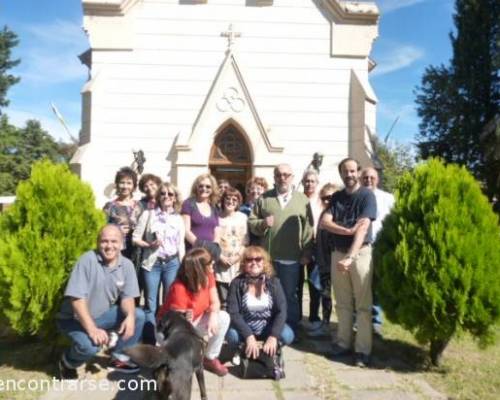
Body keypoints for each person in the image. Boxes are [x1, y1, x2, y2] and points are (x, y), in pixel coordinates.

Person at [56, 225, 145, 379]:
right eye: (104, 241)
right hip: (73, 319)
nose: (109, 246)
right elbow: (76, 300)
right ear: (98, 243)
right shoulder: (87, 261)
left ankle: (118, 359)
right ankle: (67, 362)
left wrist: (129, 316)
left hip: (100, 316)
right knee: (90, 348)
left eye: (114, 241)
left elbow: (127, 297)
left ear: (122, 243)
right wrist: (92, 330)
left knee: (138, 315)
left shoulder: (127, 265)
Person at [320, 158, 376, 368]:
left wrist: (351, 257)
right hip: (338, 253)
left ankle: (362, 351)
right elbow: (326, 222)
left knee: (362, 306)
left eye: (353, 171)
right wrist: (345, 230)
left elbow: (363, 228)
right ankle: (343, 344)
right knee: (342, 304)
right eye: (345, 171)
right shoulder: (337, 197)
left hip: (359, 254)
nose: (349, 175)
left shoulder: (366, 196)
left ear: (358, 172)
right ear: (341, 173)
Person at [249, 164, 313, 333]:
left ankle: (290, 329)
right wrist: (262, 223)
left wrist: (307, 251)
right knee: (266, 294)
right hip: (267, 258)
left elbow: (308, 229)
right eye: (279, 175)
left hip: (291, 257)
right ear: (274, 177)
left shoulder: (302, 200)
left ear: (292, 177)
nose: (282, 178)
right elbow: (251, 222)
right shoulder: (265, 198)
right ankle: (267, 327)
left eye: (286, 175)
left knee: (290, 296)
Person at [158, 248, 230, 376]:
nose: (213, 263)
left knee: (223, 317)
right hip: (169, 330)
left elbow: (216, 302)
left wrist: (213, 315)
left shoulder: (208, 276)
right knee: (181, 365)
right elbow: (180, 327)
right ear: (199, 268)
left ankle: (209, 358)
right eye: (209, 263)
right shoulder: (179, 288)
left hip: (193, 321)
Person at [132, 182, 185, 343]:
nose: (166, 197)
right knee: (150, 304)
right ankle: (149, 340)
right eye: (163, 193)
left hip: (172, 263)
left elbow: (180, 244)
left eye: (170, 194)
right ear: (158, 196)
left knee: (169, 303)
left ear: (175, 198)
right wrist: (149, 245)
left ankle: (165, 338)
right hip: (152, 264)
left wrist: (182, 266)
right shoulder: (148, 214)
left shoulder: (178, 218)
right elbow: (135, 238)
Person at [226, 246, 294, 362]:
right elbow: (234, 313)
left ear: (264, 262)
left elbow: (281, 311)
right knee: (232, 336)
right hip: (245, 327)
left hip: (267, 327)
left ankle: (271, 349)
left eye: (258, 259)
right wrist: (249, 336)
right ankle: (242, 348)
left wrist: (273, 336)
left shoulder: (274, 282)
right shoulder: (236, 284)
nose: (254, 262)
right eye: (249, 260)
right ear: (244, 263)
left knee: (287, 335)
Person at [360, 167, 395, 336]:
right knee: (360, 285)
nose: (368, 180)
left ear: (377, 179)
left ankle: (375, 322)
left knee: (377, 286)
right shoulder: (356, 197)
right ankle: (357, 321)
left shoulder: (388, 198)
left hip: (380, 246)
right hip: (360, 247)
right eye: (365, 177)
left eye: (371, 177)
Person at [308, 183, 339, 337]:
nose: (327, 201)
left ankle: (337, 327)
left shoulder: (338, 215)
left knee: (337, 297)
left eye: (330, 197)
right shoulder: (323, 214)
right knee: (324, 294)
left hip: (333, 263)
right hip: (322, 262)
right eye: (324, 198)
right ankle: (325, 324)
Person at [216, 188, 249, 310]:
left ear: (239, 202)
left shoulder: (243, 218)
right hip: (220, 263)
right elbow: (212, 241)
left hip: (237, 263)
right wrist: (220, 257)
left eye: (234, 199)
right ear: (223, 200)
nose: (231, 201)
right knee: (223, 301)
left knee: (237, 298)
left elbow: (245, 241)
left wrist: (237, 257)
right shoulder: (216, 217)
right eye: (228, 198)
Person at [103, 167, 142, 259]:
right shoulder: (110, 206)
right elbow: (102, 228)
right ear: (117, 184)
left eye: (129, 183)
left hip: (136, 251)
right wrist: (117, 230)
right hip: (116, 250)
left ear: (134, 186)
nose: (125, 186)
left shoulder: (139, 206)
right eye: (122, 182)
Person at [300, 170, 323, 329]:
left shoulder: (322, 202)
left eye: (312, 181)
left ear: (317, 183)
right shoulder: (298, 200)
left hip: (317, 246)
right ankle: (297, 317)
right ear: (302, 182)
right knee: (297, 284)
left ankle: (314, 317)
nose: (309, 184)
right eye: (307, 181)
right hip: (298, 246)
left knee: (315, 284)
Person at [181, 173, 220, 253]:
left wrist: (214, 249)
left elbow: (217, 231)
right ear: (196, 187)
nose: (204, 189)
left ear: (213, 189)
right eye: (201, 186)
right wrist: (201, 247)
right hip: (194, 252)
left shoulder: (214, 207)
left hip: (210, 253)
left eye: (208, 186)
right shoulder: (188, 204)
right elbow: (186, 231)